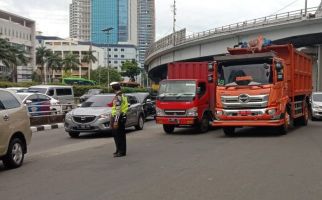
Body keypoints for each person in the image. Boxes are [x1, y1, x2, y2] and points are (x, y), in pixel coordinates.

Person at [110, 82, 128, 157]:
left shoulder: (118, 97)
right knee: (119, 135)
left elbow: (118, 110)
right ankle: (119, 150)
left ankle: (121, 151)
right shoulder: (122, 95)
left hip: (118, 117)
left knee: (118, 135)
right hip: (121, 116)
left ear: (113, 88)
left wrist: (116, 121)